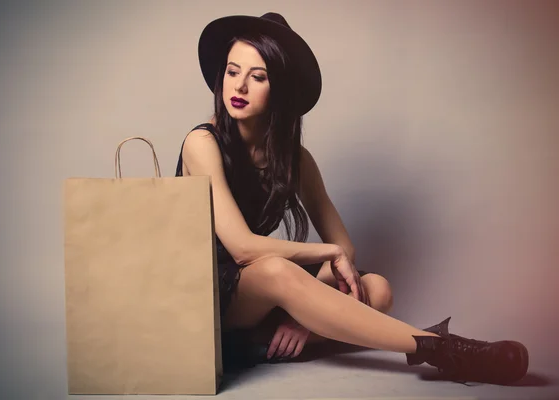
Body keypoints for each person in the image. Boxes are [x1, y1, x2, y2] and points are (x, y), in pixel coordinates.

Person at [175, 12, 528, 385]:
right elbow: (244, 249)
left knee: (378, 289)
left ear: (278, 88)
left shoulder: (295, 160)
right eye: (233, 72)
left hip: (260, 300)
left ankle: (261, 345)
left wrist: (302, 319)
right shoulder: (202, 142)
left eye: (257, 77)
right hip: (207, 296)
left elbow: (344, 245)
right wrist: (328, 253)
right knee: (276, 270)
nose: (240, 86)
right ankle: (440, 348)